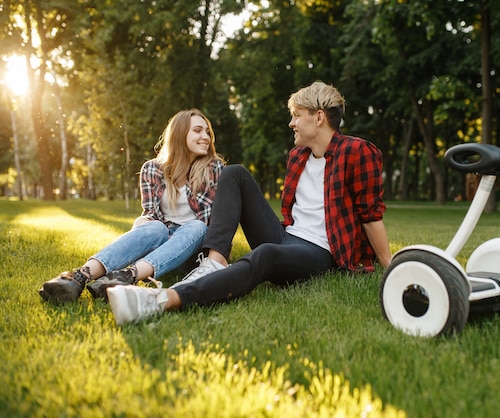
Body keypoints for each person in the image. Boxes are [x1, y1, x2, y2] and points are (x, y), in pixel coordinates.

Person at [106, 81, 392, 325]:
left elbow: (370, 215)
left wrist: (389, 265)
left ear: (319, 117)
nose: (291, 122)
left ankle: (162, 300)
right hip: (286, 236)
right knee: (235, 173)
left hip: (320, 252)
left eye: (297, 115)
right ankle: (215, 262)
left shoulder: (357, 151)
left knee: (266, 254)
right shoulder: (298, 156)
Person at [39, 109, 225, 304]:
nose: (205, 137)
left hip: (190, 248)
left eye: (207, 132)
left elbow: (215, 221)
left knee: (197, 226)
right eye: (198, 130)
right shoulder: (152, 169)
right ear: (180, 134)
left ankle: (128, 276)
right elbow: (151, 213)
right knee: (155, 226)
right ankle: (77, 277)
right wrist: (143, 227)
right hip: (160, 244)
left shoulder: (214, 169)